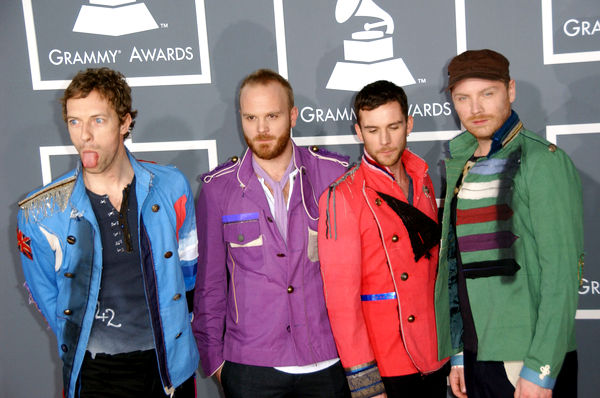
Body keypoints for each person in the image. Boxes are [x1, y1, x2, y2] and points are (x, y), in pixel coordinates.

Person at [16, 68, 199, 398]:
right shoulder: (39, 214)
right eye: (74, 121)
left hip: (170, 366)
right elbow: (50, 299)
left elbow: (189, 275)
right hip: (98, 373)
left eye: (98, 120)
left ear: (125, 122)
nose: (84, 134)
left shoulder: (172, 187)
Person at [434, 49, 584, 398]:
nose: (476, 108)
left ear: (510, 91)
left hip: (526, 360)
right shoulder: (462, 162)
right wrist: (458, 353)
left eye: (487, 93)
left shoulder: (543, 163)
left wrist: (541, 370)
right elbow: (457, 268)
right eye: (463, 98)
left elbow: (562, 275)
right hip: (476, 356)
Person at [192, 69, 350, 397]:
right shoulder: (218, 189)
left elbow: (356, 274)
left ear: (292, 116)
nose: (261, 129)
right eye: (251, 118)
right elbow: (210, 286)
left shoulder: (335, 176)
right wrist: (217, 364)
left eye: (272, 116)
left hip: (330, 362)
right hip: (250, 369)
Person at [318, 80, 450, 398]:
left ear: (409, 124)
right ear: (359, 132)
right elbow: (341, 303)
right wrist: (366, 383)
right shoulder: (342, 196)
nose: (385, 140)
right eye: (373, 130)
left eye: (393, 126)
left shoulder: (423, 177)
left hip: (434, 352)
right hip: (386, 363)